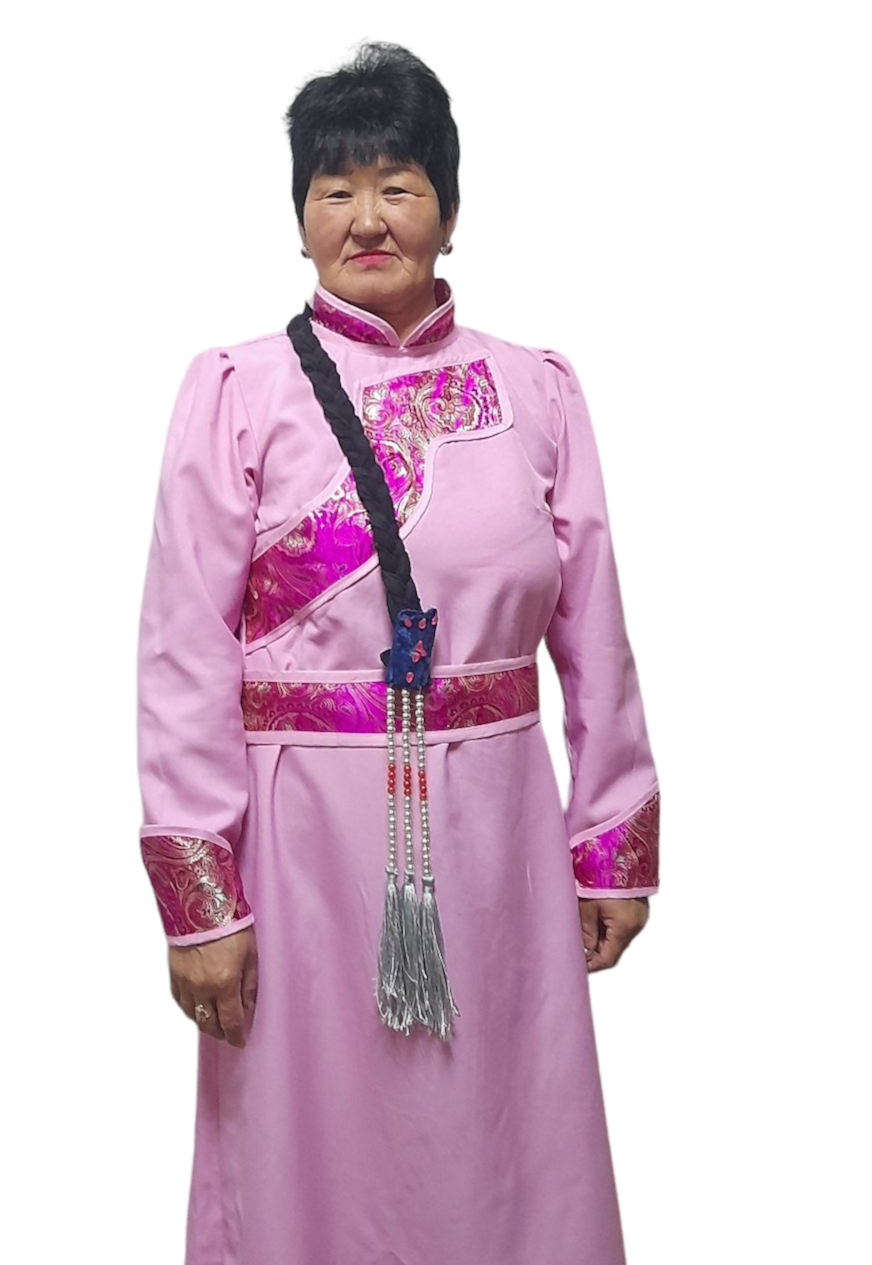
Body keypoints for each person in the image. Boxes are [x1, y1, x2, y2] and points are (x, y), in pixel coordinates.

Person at [136, 40, 660, 1265]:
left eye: (397, 184)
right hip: (301, 849)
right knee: (308, 1142)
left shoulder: (534, 391)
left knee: (498, 1133)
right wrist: (199, 899)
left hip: (496, 838)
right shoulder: (238, 391)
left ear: (449, 209)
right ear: (300, 219)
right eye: (334, 189)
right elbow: (181, 654)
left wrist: (610, 839)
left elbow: (594, 633)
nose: (365, 217)